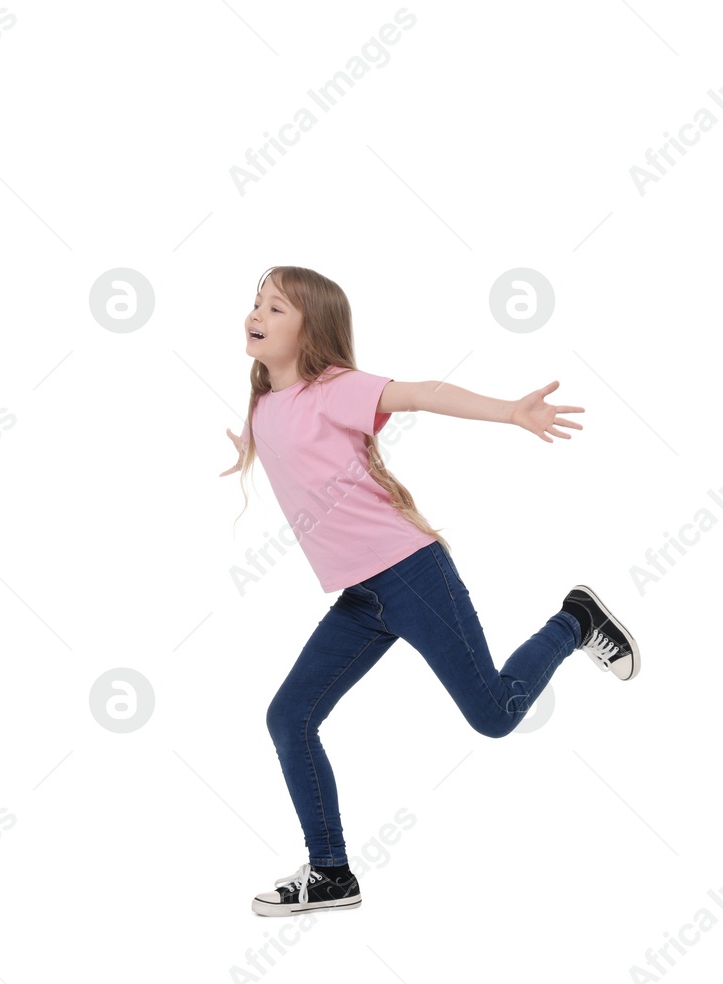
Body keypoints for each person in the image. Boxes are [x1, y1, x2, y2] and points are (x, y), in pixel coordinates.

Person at [219, 266, 638, 917]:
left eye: (277, 308)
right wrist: (246, 446)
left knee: (495, 715)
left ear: (311, 330)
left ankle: (574, 622)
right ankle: (331, 873)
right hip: (362, 598)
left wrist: (509, 411)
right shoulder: (264, 405)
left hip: (411, 575)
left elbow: (420, 394)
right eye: (257, 302)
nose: (258, 313)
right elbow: (281, 442)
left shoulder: (337, 389)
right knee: (289, 717)